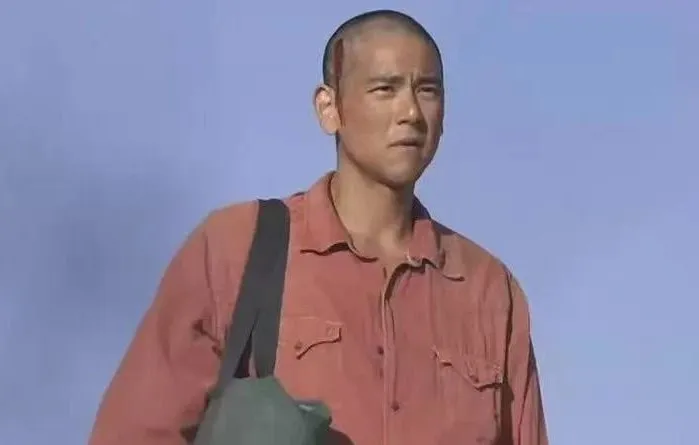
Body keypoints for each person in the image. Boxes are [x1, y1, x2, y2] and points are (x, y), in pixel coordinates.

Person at [89, 9, 548, 445]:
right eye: (385, 89)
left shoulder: (488, 290)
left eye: (427, 90)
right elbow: (134, 432)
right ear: (329, 108)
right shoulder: (239, 248)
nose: (411, 111)